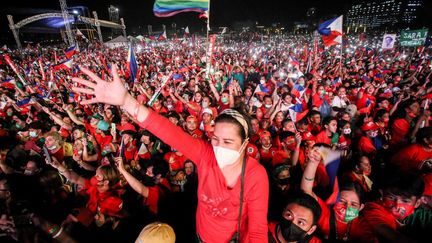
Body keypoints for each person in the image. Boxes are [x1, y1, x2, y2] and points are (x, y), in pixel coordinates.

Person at [72, 65, 269, 242]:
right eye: (215, 139)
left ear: (244, 144)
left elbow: (258, 231)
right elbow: (168, 132)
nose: (219, 147)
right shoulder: (205, 154)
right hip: (200, 235)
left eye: (228, 142)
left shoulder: (256, 175)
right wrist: (126, 101)